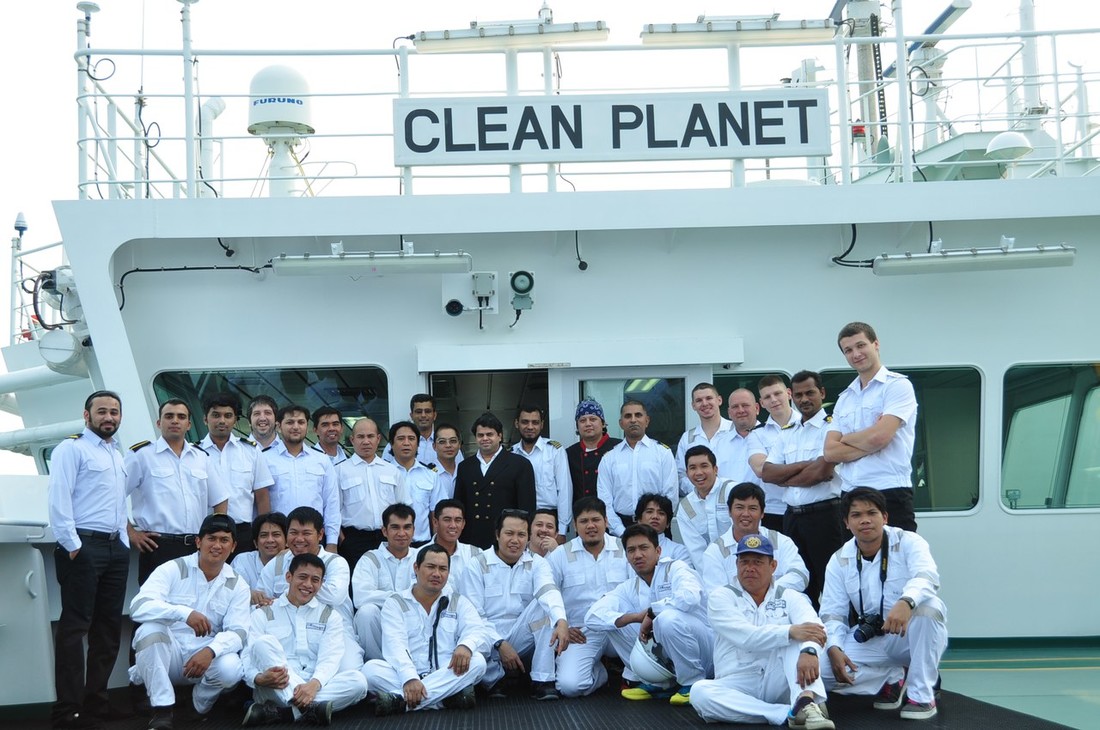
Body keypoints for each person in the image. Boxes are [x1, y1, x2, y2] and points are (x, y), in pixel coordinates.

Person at [820, 487, 948, 720]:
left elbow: (927, 576)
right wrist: (834, 647)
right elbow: (832, 614)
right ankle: (893, 677)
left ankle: (921, 695)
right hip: (873, 638)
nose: (865, 520)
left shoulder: (909, 542)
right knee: (819, 669)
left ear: (885, 517)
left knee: (929, 608)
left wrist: (907, 602)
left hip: (908, 636)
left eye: (872, 513)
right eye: (856, 515)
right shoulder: (839, 559)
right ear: (846, 523)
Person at [691, 534, 834, 729]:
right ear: (736, 564)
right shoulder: (721, 597)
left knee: (801, 640)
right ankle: (789, 713)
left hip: (779, 679)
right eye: (744, 562)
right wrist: (790, 631)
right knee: (699, 693)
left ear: (773, 566)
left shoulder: (789, 595)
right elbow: (747, 637)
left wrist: (809, 650)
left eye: (757, 562)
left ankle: (806, 700)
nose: (749, 568)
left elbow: (816, 628)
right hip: (738, 681)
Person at [48, 391, 130, 729]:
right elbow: (59, 497)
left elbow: (118, 503)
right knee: (74, 629)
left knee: (107, 630)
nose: (108, 417)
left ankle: (97, 703)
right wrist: (73, 545)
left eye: (114, 412)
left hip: (114, 549)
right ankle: (67, 710)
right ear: (87, 415)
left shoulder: (116, 453)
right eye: (102, 411)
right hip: (84, 547)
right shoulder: (72, 449)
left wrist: (123, 541)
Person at [128, 514, 250, 730]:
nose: (217, 545)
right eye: (211, 538)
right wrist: (184, 613)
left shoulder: (238, 584)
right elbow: (138, 606)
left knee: (231, 667)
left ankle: (197, 707)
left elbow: (239, 632)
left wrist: (211, 651)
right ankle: (162, 710)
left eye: (224, 540)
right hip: (169, 657)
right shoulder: (173, 568)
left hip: (203, 659)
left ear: (233, 547)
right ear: (198, 541)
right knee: (149, 631)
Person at [586, 524, 712, 706]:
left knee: (666, 619)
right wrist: (636, 617)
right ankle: (660, 683)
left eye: (644, 548)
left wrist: (652, 612)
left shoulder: (675, 569)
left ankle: (693, 683)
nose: (638, 555)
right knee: (614, 624)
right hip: (670, 659)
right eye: (631, 550)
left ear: (658, 551)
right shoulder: (629, 586)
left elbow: (689, 598)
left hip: (704, 652)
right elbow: (592, 617)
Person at [242, 553, 368, 726]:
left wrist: (314, 684)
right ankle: (310, 708)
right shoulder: (263, 612)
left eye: (315, 580)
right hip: (275, 686)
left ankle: (285, 713)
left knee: (358, 681)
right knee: (263, 643)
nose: (308, 584)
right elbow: (247, 656)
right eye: (302, 577)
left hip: (313, 685)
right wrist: (257, 678)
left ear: (321, 584)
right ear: (289, 577)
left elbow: (330, 657)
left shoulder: (330, 616)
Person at [363, 544, 490, 715]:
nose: (437, 574)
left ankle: (400, 701)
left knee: (478, 662)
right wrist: (410, 678)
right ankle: (445, 698)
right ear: (416, 568)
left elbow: (477, 630)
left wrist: (465, 646)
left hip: (446, 671)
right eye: (431, 567)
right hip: (410, 674)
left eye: (443, 569)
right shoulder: (396, 602)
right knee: (370, 670)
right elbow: (395, 645)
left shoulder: (457, 601)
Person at [461, 509, 570, 701]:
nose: (515, 540)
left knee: (544, 608)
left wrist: (561, 621)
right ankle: (495, 680)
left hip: (519, 635)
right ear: (497, 534)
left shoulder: (537, 563)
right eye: (509, 533)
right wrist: (499, 643)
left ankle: (543, 680)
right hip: (487, 636)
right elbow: (474, 615)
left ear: (528, 537)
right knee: (472, 644)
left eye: (521, 535)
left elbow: (548, 591)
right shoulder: (477, 564)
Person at [824, 322, 920, 532]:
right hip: (850, 494)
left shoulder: (897, 386)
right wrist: (872, 438)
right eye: (848, 350)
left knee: (896, 552)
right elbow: (830, 452)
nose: (856, 354)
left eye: (861, 345)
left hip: (890, 491)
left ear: (876, 344)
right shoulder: (845, 398)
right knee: (853, 554)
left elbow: (880, 437)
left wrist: (846, 439)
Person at [761, 370, 846, 605]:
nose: (804, 399)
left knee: (832, 584)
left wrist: (786, 477)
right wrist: (806, 466)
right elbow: (768, 473)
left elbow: (822, 472)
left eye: (810, 393)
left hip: (825, 516)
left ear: (822, 393)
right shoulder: (788, 431)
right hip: (793, 519)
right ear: (792, 396)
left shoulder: (833, 428)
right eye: (798, 395)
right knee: (800, 585)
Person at [126, 399, 229, 584]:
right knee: (155, 599)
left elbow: (220, 499)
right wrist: (131, 533)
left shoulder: (201, 457)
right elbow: (114, 496)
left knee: (195, 597)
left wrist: (215, 535)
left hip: (195, 547)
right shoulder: (141, 455)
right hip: (157, 546)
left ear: (188, 424)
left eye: (181, 417)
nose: (175, 420)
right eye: (169, 416)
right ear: (159, 423)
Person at [256, 507, 362, 672]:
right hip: (288, 629)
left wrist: (294, 588)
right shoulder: (277, 563)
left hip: (333, 629)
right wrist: (262, 601)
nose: (299, 539)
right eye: (293, 532)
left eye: (306, 533)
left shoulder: (335, 562)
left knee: (349, 671)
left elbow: (334, 596)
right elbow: (261, 599)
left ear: (320, 535)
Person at [546, 497, 630, 698]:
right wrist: (562, 625)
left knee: (652, 673)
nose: (590, 526)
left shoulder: (625, 549)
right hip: (582, 632)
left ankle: (631, 671)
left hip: (621, 627)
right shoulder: (560, 555)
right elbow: (547, 595)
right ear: (575, 525)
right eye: (584, 521)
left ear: (606, 521)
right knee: (570, 686)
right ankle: (601, 672)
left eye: (596, 520)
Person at [198, 392, 273, 557]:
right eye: (216, 415)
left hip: (243, 533)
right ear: (205, 419)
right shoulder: (194, 453)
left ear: (235, 420)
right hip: (205, 533)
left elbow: (262, 497)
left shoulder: (251, 451)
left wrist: (263, 533)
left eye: (228, 416)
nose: (222, 421)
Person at [699, 483, 808, 594]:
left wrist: (765, 592)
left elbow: (800, 575)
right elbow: (717, 594)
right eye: (739, 507)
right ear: (729, 512)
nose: (746, 514)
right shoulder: (715, 551)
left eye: (752, 508)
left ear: (762, 513)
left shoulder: (780, 541)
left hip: (778, 603)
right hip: (734, 605)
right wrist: (754, 596)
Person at [453, 412, 537, 549]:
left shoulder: (520, 464)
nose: (485, 438)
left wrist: (524, 537)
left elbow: (527, 507)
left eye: (490, 434)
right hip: (471, 536)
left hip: (505, 537)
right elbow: (459, 505)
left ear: (500, 436)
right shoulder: (465, 466)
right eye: (480, 435)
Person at [262, 404, 340, 551]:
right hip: (278, 538)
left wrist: (332, 542)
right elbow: (259, 503)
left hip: (313, 537)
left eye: (301, 422)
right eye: (290, 422)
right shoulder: (264, 459)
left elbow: (332, 503)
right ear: (278, 426)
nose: (296, 427)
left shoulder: (322, 460)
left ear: (307, 427)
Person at [597, 400, 678, 537]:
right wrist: (620, 531)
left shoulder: (663, 453)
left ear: (647, 421)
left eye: (638, 415)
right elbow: (604, 500)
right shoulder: (609, 458)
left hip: (656, 528)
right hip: (620, 528)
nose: (633, 420)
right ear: (621, 423)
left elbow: (670, 495)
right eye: (628, 416)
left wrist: (655, 525)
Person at [335, 417, 407, 571]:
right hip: (354, 540)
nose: (366, 441)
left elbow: (403, 508)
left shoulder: (392, 471)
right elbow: (333, 510)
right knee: (356, 582)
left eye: (370, 436)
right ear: (352, 440)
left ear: (378, 439)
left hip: (387, 538)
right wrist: (342, 539)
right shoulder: (339, 471)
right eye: (360, 437)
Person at [351, 503, 418, 660]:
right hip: (381, 625)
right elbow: (360, 597)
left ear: (413, 530)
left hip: (414, 622)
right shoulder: (370, 558)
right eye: (395, 527)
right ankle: (376, 663)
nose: (401, 533)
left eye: (407, 527)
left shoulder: (422, 556)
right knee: (366, 612)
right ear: (384, 531)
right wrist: (402, 597)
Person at [511, 405, 571, 541]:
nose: (530, 427)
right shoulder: (511, 453)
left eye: (535, 422)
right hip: (519, 518)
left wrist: (562, 530)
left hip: (548, 518)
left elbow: (564, 491)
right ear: (516, 423)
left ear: (542, 424)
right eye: (525, 422)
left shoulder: (554, 450)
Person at [746, 376, 798, 531]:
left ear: (788, 393)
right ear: (762, 403)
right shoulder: (757, 434)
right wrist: (806, 472)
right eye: (767, 397)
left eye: (777, 393)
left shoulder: (810, 425)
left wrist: (778, 471)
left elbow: (822, 466)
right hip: (774, 511)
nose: (773, 400)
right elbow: (762, 471)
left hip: (810, 507)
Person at [673, 446, 736, 567]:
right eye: (693, 468)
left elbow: (746, 534)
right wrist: (711, 575)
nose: (699, 472)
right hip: (710, 570)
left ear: (715, 469)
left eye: (704, 466)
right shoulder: (686, 507)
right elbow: (696, 552)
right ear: (687, 473)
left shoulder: (732, 491)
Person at [387, 420, 446, 545]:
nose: (406, 443)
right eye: (401, 438)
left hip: (422, 543)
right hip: (390, 544)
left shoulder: (431, 475)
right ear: (391, 444)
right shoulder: (383, 473)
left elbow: (437, 513)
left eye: (411, 438)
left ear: (418, 444)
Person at [675, 383, 733, 496]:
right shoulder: (687, 438)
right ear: (693, 405)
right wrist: (702, 490)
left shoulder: (735, 431)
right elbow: (680, 475)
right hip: (700, 501)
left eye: (709, 398)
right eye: (699, 400)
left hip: (734, 499)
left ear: (719, 400)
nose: (705, 403)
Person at [383, 394, 464, 467]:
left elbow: (458, 470)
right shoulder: (395, 445)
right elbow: (385, 470)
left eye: (427, 411)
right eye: (418, 412)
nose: (423, 415)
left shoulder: (448, 445)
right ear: (411, 415)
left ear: (434, 415)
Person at [565, 399, 621, 501]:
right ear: (577, 426)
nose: (588, 424)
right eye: (582, 420)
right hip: (581, 509)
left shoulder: (618, 447)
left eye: (593, 419)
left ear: (603, 423)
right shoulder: (569, 453)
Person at [230, 512, 288, 607]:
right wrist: (248, 594)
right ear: (255, 543)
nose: (270, 540)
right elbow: (230, 591)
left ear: (287, 541)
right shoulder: (242, 560)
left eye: (276, 535)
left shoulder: (294, 562)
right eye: (264, 535)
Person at [634, 493, 693, 566]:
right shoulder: (627, 549)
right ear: (639, 520)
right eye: (649, 512)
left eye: (661, 513)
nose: (655, 516)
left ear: (668, 523)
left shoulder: (679, 551)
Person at [430, 499, 480, 583]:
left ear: (463, 524)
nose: (453, 525)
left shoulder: (475, 554)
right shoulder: (418, 555)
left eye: (458, 520)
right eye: (447, 520)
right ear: (435, 522)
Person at [718, 388, 762, 484]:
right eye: (735, 407)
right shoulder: (718, 445)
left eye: (745, 405)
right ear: (729, 413)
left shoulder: (773, 438)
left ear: (757, 408)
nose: (740, 410)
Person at [432, 423, 463, 499]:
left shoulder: (465, 471)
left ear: (459, 445)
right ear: (434, 446)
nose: (448, 445)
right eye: (442, 442)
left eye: (453, 441)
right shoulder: (428, 473)